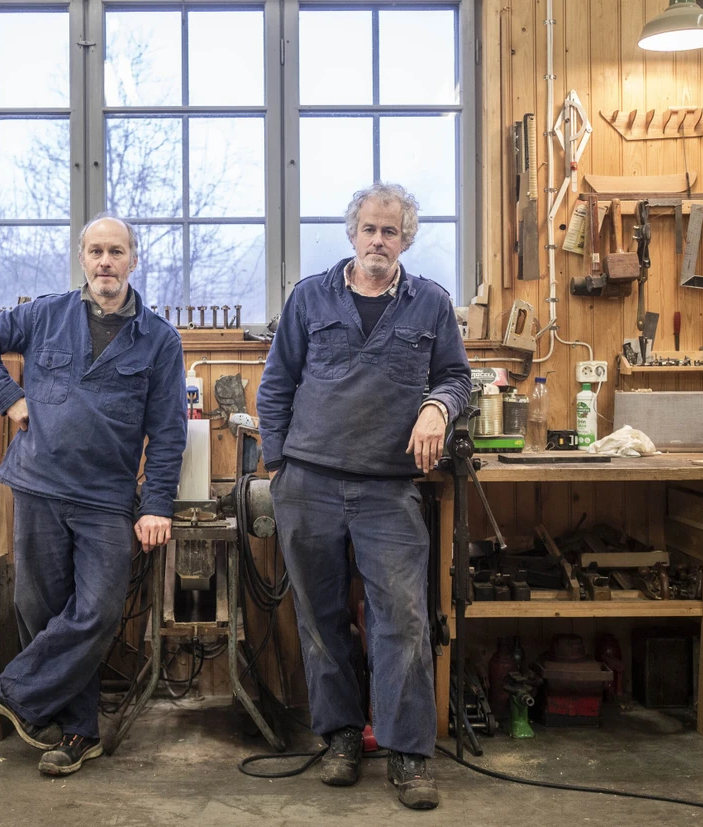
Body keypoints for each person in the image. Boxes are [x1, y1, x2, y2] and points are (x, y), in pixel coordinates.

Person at [255, 182, 471, 809]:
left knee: (401, 622)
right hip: (308, 484)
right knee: (320, 620)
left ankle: (409, 755)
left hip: (387, 488)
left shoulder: (430, 304)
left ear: (407, 239)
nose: (380, 241)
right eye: (370, 230)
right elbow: (275, 386)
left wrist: (438, 406)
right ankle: (343, 738)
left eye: (392, 232)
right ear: (353, 233)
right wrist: (279, 468)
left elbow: (457, 377)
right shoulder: (309, 298)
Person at [0, 214, 187, 777]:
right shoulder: (45, 315)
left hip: (106, 497)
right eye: (95, 251)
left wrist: (156, 502)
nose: (105, 261)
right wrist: (11, 399)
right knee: (38, 608)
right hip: (38, 484)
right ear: (82, 258)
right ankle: (79, 732)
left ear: (134, 259)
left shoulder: (158, 339)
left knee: (99, 610)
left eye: (116, 251)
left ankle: (16, 692)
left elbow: (170, 430)